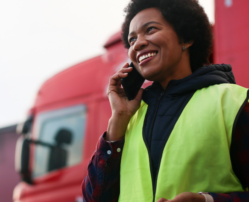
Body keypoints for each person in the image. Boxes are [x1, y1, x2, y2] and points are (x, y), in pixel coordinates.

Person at [82, 0, 249, 201]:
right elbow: (94, 198)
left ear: (185, 38)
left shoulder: (234, 102)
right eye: (132, 39)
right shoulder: (128, 118)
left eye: (150, 30)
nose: (139, 43)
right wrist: (118, 119)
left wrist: (207, 200)